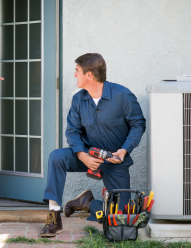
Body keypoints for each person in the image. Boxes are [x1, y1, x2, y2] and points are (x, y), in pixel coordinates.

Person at [40, 53, 146, 237]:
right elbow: (72, 131)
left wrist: (125, 149)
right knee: (56, 157)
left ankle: (87, 203)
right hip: (88, 155)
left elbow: (138, 124)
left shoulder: (122, 95)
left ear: (89, 75)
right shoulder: (78, 99)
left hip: (114, 161)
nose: (74, 75)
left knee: (121, 217)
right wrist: (82, 155)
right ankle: (53, 217)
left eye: (77, 71)